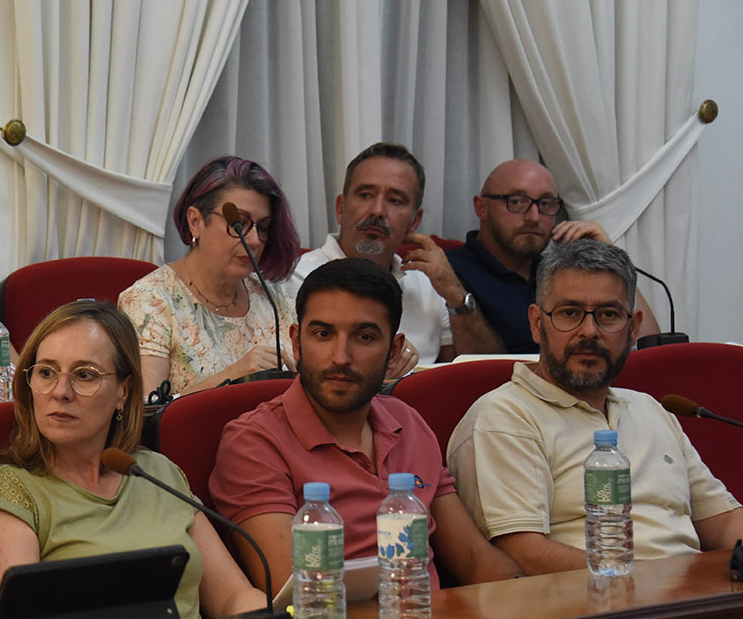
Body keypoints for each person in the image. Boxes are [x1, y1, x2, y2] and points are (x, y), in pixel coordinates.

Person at [212, 259, 521, 591]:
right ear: (297, 344)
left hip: (428, 618)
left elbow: (475, 559)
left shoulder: (407, 422)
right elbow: (300, 591)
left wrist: (530, 598)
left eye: (364, 336)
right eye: (323, 334)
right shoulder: (254, 441)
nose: (341, 357)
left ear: (394, 351)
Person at [0, 301, 271, 619]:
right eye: (46, 373)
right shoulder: (9, 492)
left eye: (84, 375)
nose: (60, 392)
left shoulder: (156, 472)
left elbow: (233, 597)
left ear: (124, 391)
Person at [448, 239, 741, 574]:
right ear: (537, 324)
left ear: (633, 329)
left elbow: (723, 521)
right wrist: (651, 585)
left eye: (608, 315)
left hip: (693, 595)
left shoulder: (651, 409)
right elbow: (525, 555)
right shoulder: (505, 416)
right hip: (596, 600)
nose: (589, 331)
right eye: (569, 313)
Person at [287, 142, 500, 368]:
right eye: (365, 195)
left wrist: (455, 293)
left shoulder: (429, 285)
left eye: (395, 200)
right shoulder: (292, 279)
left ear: (414, 221)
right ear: (340, 208)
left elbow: (480, 373)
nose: (377, 210)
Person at [118, 156, 300, 398]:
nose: (254, 240)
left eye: (263, 227)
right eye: (239, 224)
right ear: (195, 221)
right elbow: (148, 412)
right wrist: (233, 376)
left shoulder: (274, 298)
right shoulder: (150, 301)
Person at [446, 159, 661, 353]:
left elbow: (649, 346)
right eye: (517, 202)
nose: (534, 217)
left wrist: (610, 258)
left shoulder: (562, 272)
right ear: (481, 208)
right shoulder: (450, 273)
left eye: (546, 204)